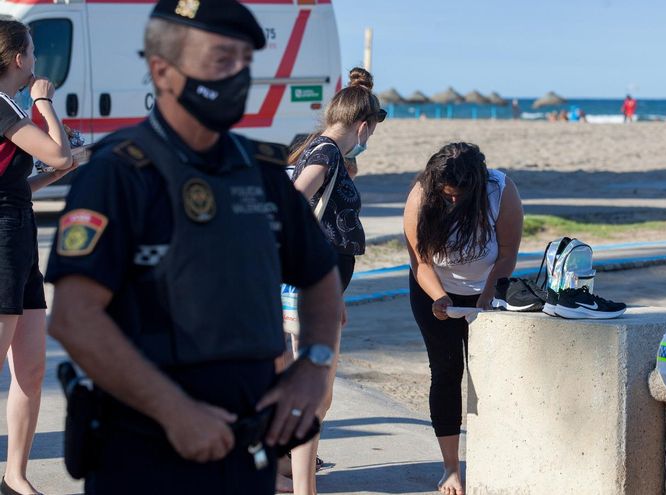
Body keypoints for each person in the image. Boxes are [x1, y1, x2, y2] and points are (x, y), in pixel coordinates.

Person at [44, 1, 342, 493]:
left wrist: (312, 366)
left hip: (248, 450)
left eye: (245, 62)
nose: (239, 76)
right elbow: (74, 318)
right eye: (221, 60)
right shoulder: (116, 174)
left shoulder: (262, 172)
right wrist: (176, 412)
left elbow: (319, 277)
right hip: (145, 449)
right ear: (163, 69)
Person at [282, 66, 384, 495]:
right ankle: (302, 487)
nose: (370, 138)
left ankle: (287, 475)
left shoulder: (319, 149)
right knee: (313, 396)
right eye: (372, 130)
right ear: (362, 124)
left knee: (315, 395)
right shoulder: (324, 153)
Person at [404, 142, 523, 495]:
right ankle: (451, 468)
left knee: (488, 376)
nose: (452, 201)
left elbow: (507, 253)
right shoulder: (422, 194)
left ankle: (494, 458)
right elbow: (420, 261)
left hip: (487, 287)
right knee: (445, 371)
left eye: (459, 196)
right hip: (434, 287)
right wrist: (439, 297)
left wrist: (487, 296)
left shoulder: (501, 191)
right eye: (447, 195)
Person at [0, 18, 76, 495]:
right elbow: (59, 151)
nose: (37, 62)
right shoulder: (6, 109)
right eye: (33, 51)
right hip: (3, 238)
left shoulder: (8, 107)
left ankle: (15, 475)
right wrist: (44, 100)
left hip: (20, 231)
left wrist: (52, 175)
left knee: (30, 368)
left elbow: (15, 186)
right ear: (19, 59)